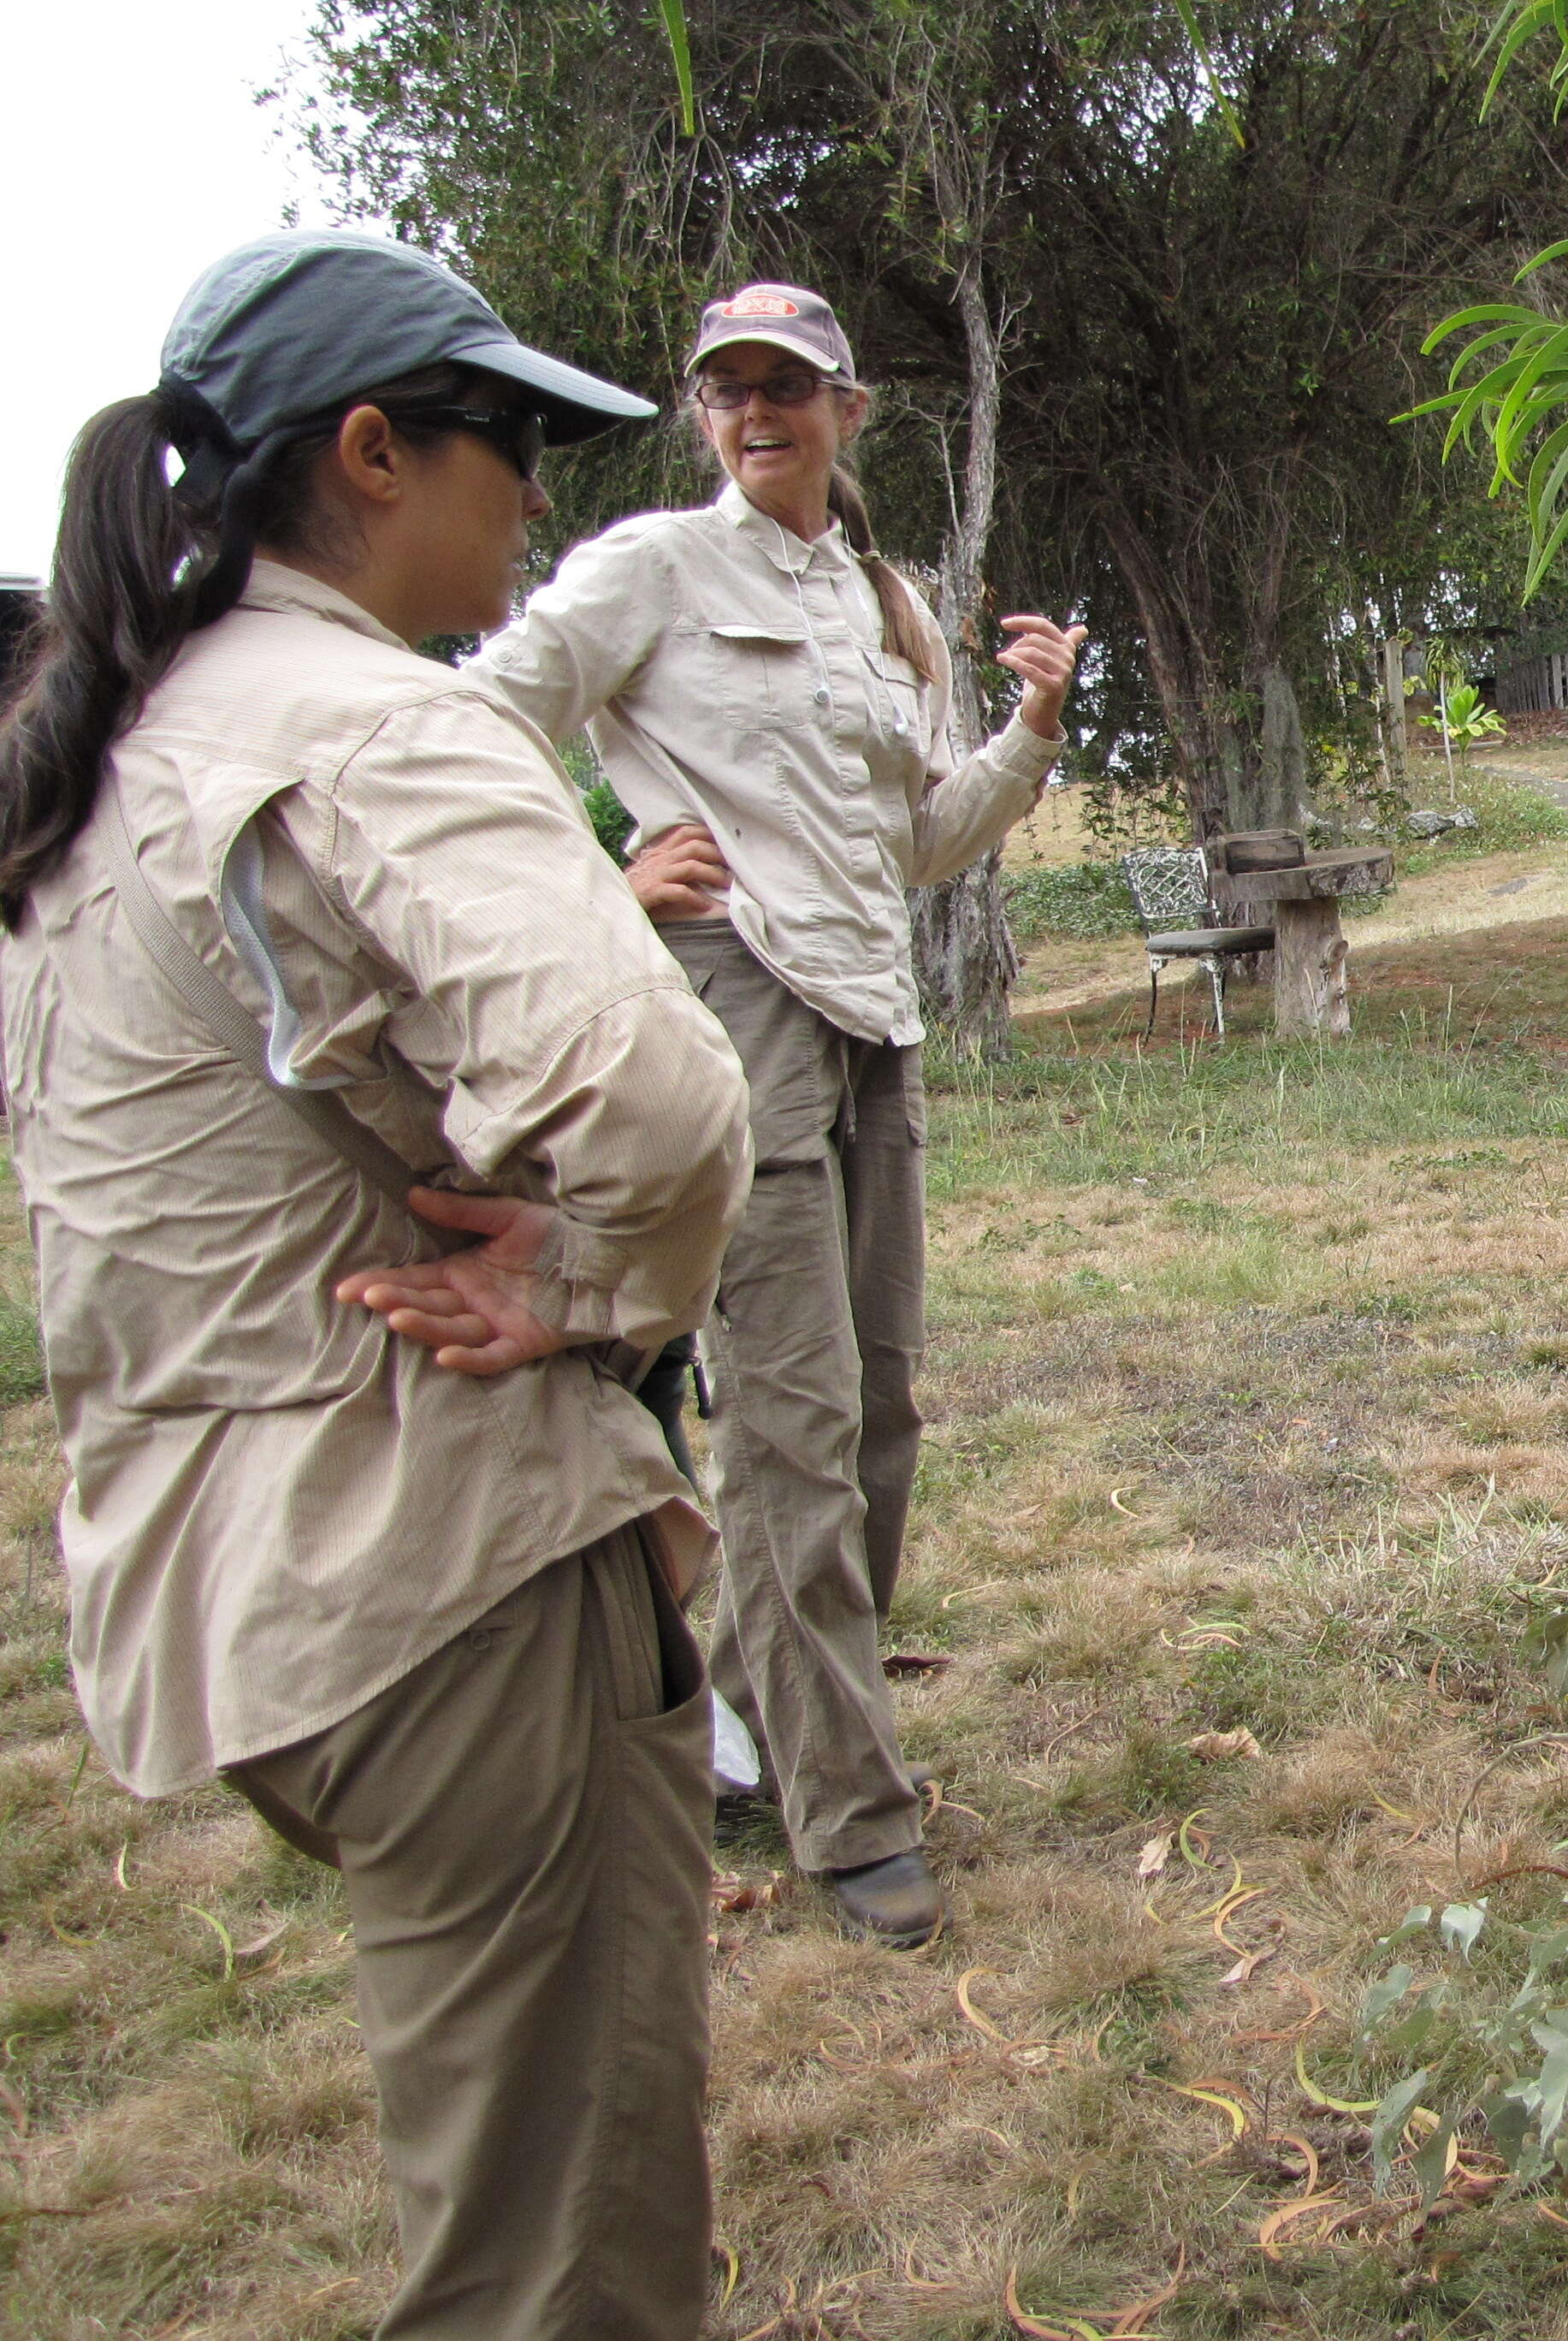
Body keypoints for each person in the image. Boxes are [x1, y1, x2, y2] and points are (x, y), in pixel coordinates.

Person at [0, 230, 754, 2339]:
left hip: (228, 1599)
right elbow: (661, 1105)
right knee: (555, 2255)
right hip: (451, 1579)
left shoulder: (106, 746)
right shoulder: (368, 728)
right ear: (367, 452)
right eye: (506, 439)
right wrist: (598, 1290)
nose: (537, 490)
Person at [471, 284, 1081, 1949]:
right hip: (732, 1007)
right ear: (703, 414)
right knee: (797, 1426)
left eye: (788, 388)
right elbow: (471, 732)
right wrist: (603, 880)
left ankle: (745, 1702)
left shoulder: (886, 604)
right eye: (729, 389)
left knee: (878, 1411)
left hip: (874, 1015)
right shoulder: (650, 570)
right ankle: (853, 1816)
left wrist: (1030, 732)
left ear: (848, 409)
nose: (758, 414)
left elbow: (924, 840)